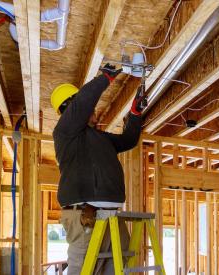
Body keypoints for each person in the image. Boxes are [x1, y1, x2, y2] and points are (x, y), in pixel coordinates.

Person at [51, 64, 145, 274]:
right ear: (72, 108)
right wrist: (104, 79)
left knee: (118, 270)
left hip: (111, 217)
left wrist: (135, 114)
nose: (93, 110)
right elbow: (82, 103)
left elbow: (129, 140)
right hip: (87, 216)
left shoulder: (101, 138)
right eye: (89, 108)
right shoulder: (64, 133)